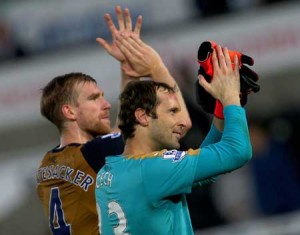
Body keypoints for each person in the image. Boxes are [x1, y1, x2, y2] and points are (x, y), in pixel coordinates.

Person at [36, 6, 191, 235]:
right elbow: (180, 123)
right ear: (69, 112)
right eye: (93, 98)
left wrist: (128, 70)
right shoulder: (97, 152)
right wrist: (155, 67)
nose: (106, 104)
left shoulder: (47, 164)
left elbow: (119, 133)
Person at [95, 39, 252, 234]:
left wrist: (222, 107)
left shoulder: (111, 171)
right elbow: (238, 152)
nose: (183, 122)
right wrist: (231, 97)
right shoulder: (154, 169)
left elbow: (202, 168)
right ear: (143, 117)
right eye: (172, 112)